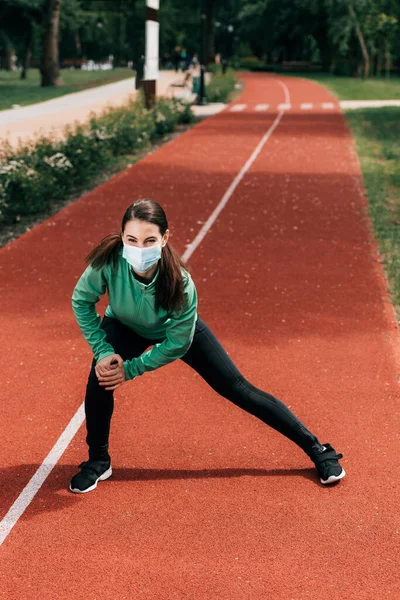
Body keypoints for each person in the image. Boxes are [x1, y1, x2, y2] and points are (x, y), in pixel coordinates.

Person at [69, 199, 346, 494]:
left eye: (149, 240)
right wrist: (102, 349)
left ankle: (318, 449)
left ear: (164, 238)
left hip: (175, 329)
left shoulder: (181, 283)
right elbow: (81, 301)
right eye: (132, 240)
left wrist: (133, 369)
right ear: (122, 238)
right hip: (123, 326)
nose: (140, 248)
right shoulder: (109, 262)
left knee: (237, 387)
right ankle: (98, 461)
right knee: (101, 379)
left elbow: (178, 343)